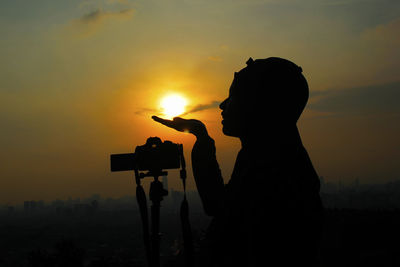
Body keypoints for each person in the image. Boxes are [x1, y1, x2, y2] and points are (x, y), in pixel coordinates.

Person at [152, 57, 324, 267]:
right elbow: (219, 205)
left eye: (233, 96)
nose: (223, 105)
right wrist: (201, 137)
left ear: (259, 105)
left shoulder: (276, 171)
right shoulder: (266, 156)